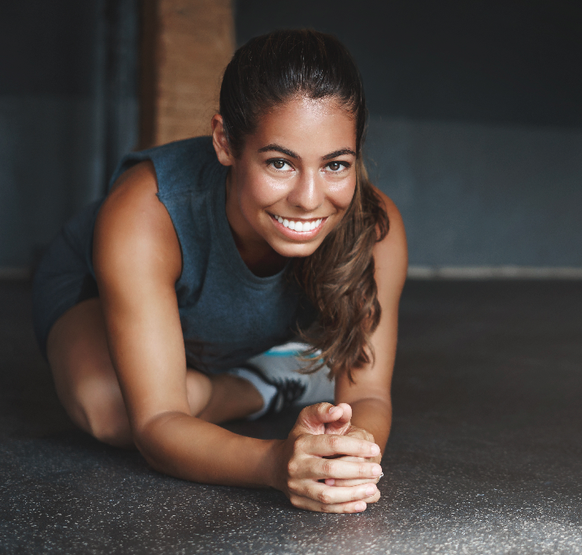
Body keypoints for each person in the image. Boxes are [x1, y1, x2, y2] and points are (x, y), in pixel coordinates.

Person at [31, 30, 407, 514]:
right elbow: (157, 423)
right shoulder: (143, 213)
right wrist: (275, 462)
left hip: (229, 323)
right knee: (110, 408)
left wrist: (346, 456)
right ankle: (264, 385)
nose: (310, 198)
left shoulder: (374, 228)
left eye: (335, 165)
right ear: (225, 142)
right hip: (94, 290)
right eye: (279, 163)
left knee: (185, 395)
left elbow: (370, 395)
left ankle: (251, 374)